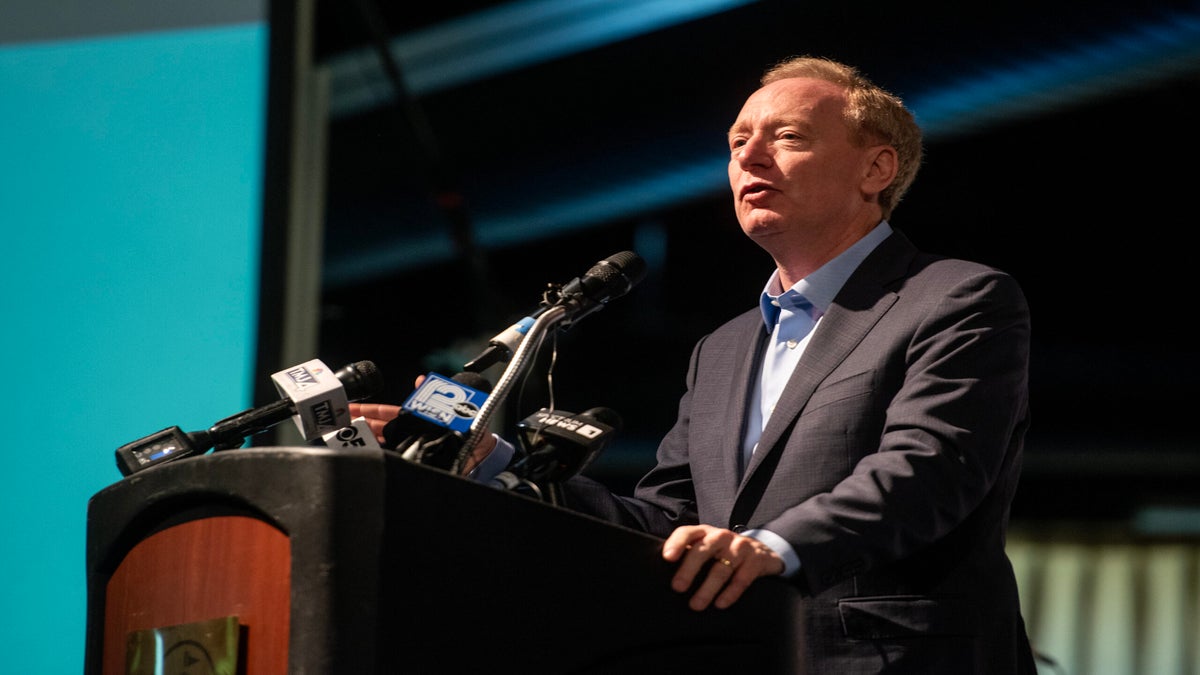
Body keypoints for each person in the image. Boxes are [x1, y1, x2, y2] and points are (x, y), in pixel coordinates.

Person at [353, 54, 1037, 673]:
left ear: (875, 170)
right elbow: (664, 520)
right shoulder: (723, 348)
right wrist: (493, 460)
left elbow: (930, 468)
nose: (750, 158)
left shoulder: (957, 297)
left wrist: (772, 545)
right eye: (737, 143)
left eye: (787, 136)